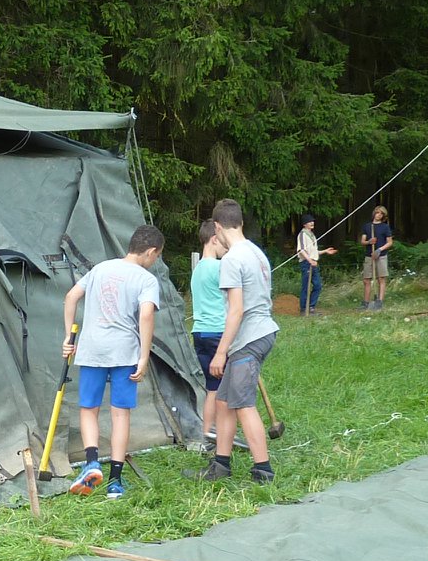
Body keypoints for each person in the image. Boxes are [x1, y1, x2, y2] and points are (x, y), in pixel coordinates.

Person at [61, 224, 165, 499]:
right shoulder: (145, 280)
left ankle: (92, 462)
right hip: (124, 352)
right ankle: (115, 482)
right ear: (151, 251)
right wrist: (143, 357)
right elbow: (145, 316)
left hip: (92, 349)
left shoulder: (100, 269)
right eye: (156, 257)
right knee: (120, 413)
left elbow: (71, 296)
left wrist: (67, 337)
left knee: (89, 409)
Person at [185, 199, 278, 484]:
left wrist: (220, 353)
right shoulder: (256, 253)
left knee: (243, 404)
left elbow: (236, 310)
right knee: (224, 401)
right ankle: (221, 465)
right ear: (239, 222)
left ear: (217, 227)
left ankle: (263, 470)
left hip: (248, 339)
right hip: (261, 332)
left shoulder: (232, 260)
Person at [189, 219, 228, 448]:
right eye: (224, 242)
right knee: (226, 389)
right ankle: (223, 436)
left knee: (212, 387)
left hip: (200, 332)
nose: (227, 247)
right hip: (218, 333)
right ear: (214, 239)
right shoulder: (219, 268)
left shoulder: (199, 269)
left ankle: (207, 435)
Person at [295, 213, 336, 315]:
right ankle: (304, 309)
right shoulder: (302, 235)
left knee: (318, 285)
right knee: (306, 286)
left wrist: (325, 251)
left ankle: (311, 307)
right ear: (304, 224)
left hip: (313, 263)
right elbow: (301, 250)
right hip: (306, 263)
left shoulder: (312, 235)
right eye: (309, 221)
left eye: (312, 221)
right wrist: (310, 261)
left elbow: (313, 251)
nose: (312, 223)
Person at [359, 205, 394, 310]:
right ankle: (366, 303)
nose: (378, 215)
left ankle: (379, 302)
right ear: (374, 213)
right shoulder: (367, 226)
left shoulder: (385, 227)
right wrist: (369, 242)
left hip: (381, 256)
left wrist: (379, 250)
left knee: (381, 279)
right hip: (369, 255)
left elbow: (390, 242)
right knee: (366, 279)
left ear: (383, 216)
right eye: (377, 212)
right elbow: (363, 241)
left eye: (381, 213)